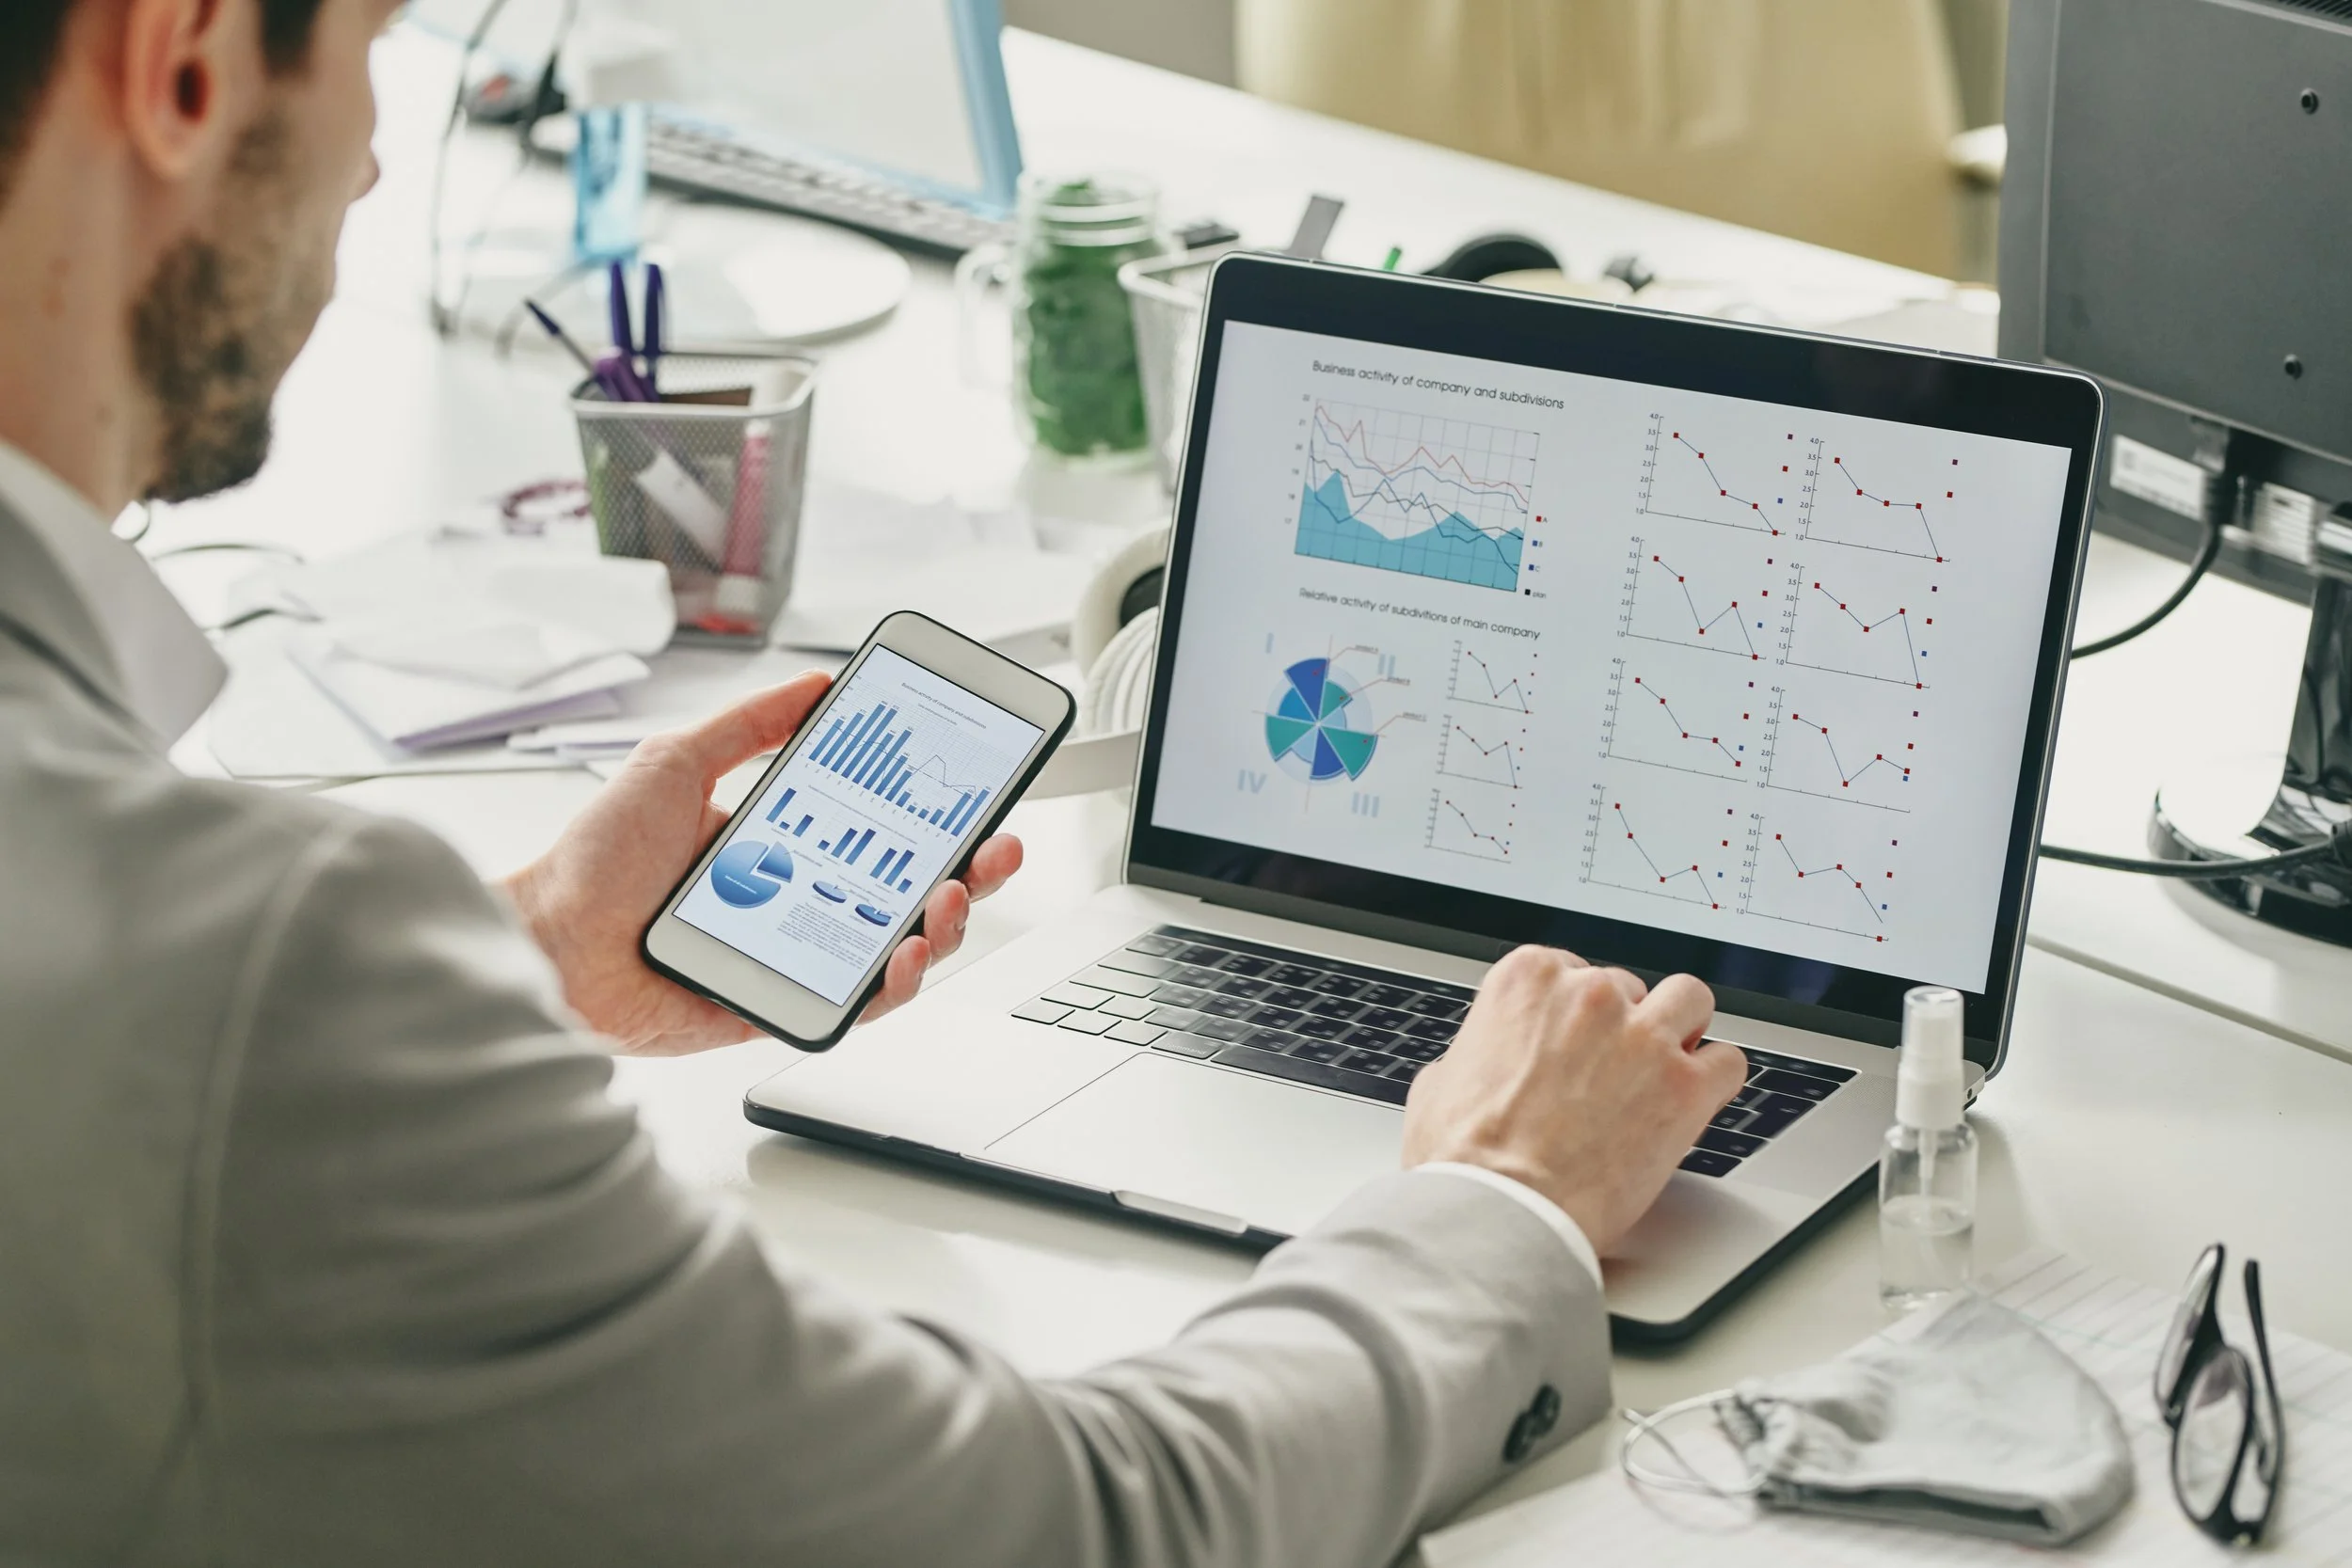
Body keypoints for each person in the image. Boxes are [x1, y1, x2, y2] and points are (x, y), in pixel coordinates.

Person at [0, 2, 1747, 1562]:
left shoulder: (187, 950)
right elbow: (1081, 1527)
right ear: (187, 62)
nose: (377, 158)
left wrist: (523, 946)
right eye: (373, 43)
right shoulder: (263, 973)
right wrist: (1502, 1193)